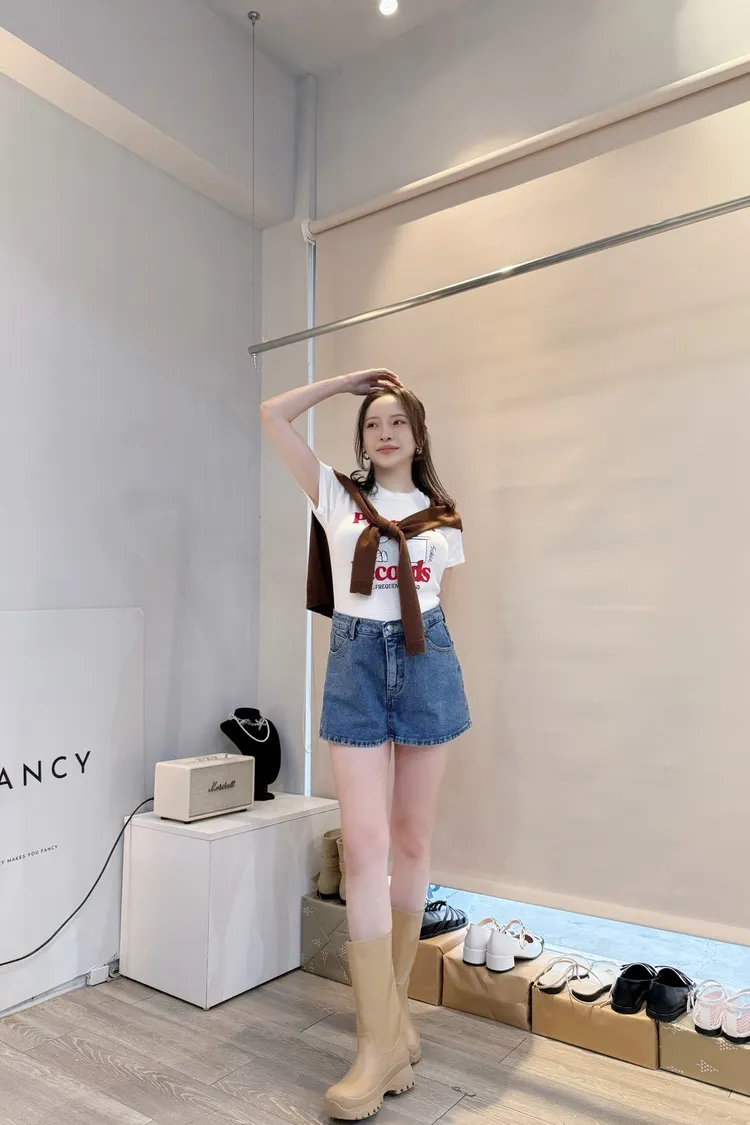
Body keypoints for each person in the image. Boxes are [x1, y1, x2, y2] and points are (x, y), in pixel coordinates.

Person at [261, 368, 470, 1120]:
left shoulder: (443, 519)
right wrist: (349, 382)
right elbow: (272, 412)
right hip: (354, 664)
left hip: (426, 663)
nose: (383, 433)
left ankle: (395, 1020)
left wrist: (426, 664)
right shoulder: (336, 496)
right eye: (372, 423)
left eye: (396, 422)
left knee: (412, 841)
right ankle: (375, 1040)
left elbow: (440, 607)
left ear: (418, 436)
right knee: (364, 846)